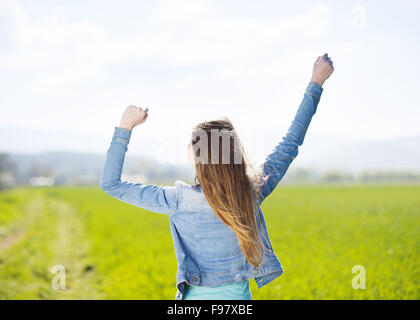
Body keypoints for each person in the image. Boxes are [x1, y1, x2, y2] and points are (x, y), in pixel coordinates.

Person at [100, 53, 334, 300]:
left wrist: (125, 128)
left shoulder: (179, 199)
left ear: (196, 156)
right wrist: (315, 84)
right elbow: (290, 144)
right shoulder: (252, 192)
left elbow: (111, 184)